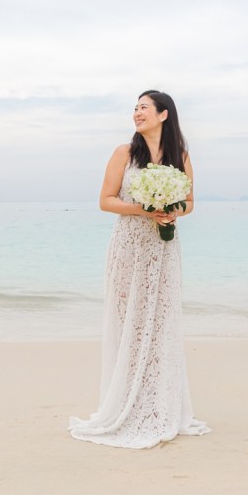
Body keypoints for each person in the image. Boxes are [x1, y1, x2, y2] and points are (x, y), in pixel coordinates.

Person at [68, 90, 210, 448]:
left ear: (164, 114)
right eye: (134, 108)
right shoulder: (125, 153)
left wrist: (174, 210)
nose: (136, 113)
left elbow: (191, 201)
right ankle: (126, 406)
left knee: (160, 324)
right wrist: (146, 209)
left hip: (163, 251)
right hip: (129, 247)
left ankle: (159, 406)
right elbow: (106, 201)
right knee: (127, 322)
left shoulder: (181, 156)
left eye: (143, 108)